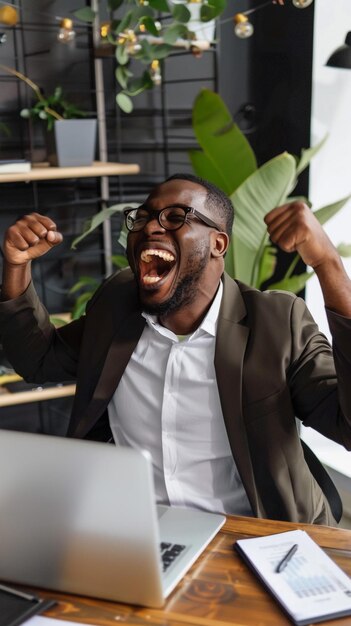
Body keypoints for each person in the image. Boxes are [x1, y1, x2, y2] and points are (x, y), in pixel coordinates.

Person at [0, 173, 350, 525]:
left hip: (253, 534)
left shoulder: (276, 323)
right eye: (144, 216)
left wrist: (328, 264)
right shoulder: (118, 303)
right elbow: (39, 360)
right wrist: (17, 265)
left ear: (218, 244)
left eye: (175, 217)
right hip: (140, 531)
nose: (151, 227)